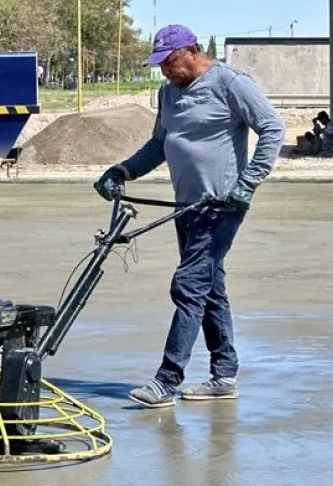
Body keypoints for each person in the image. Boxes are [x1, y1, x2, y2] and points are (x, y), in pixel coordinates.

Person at [94, 24, 286, 408]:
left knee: (188, 286)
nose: (165, 70)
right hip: (186, 207)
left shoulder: (230, 83)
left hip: (222, 206)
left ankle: (167, 379)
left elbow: (272, 128)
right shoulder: (168, 93)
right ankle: (224, 375)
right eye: (160, 65)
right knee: (210, 289)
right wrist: (124, 170)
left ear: (192, 51)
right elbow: (160, 144)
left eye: (169, 61)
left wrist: (249, 181)